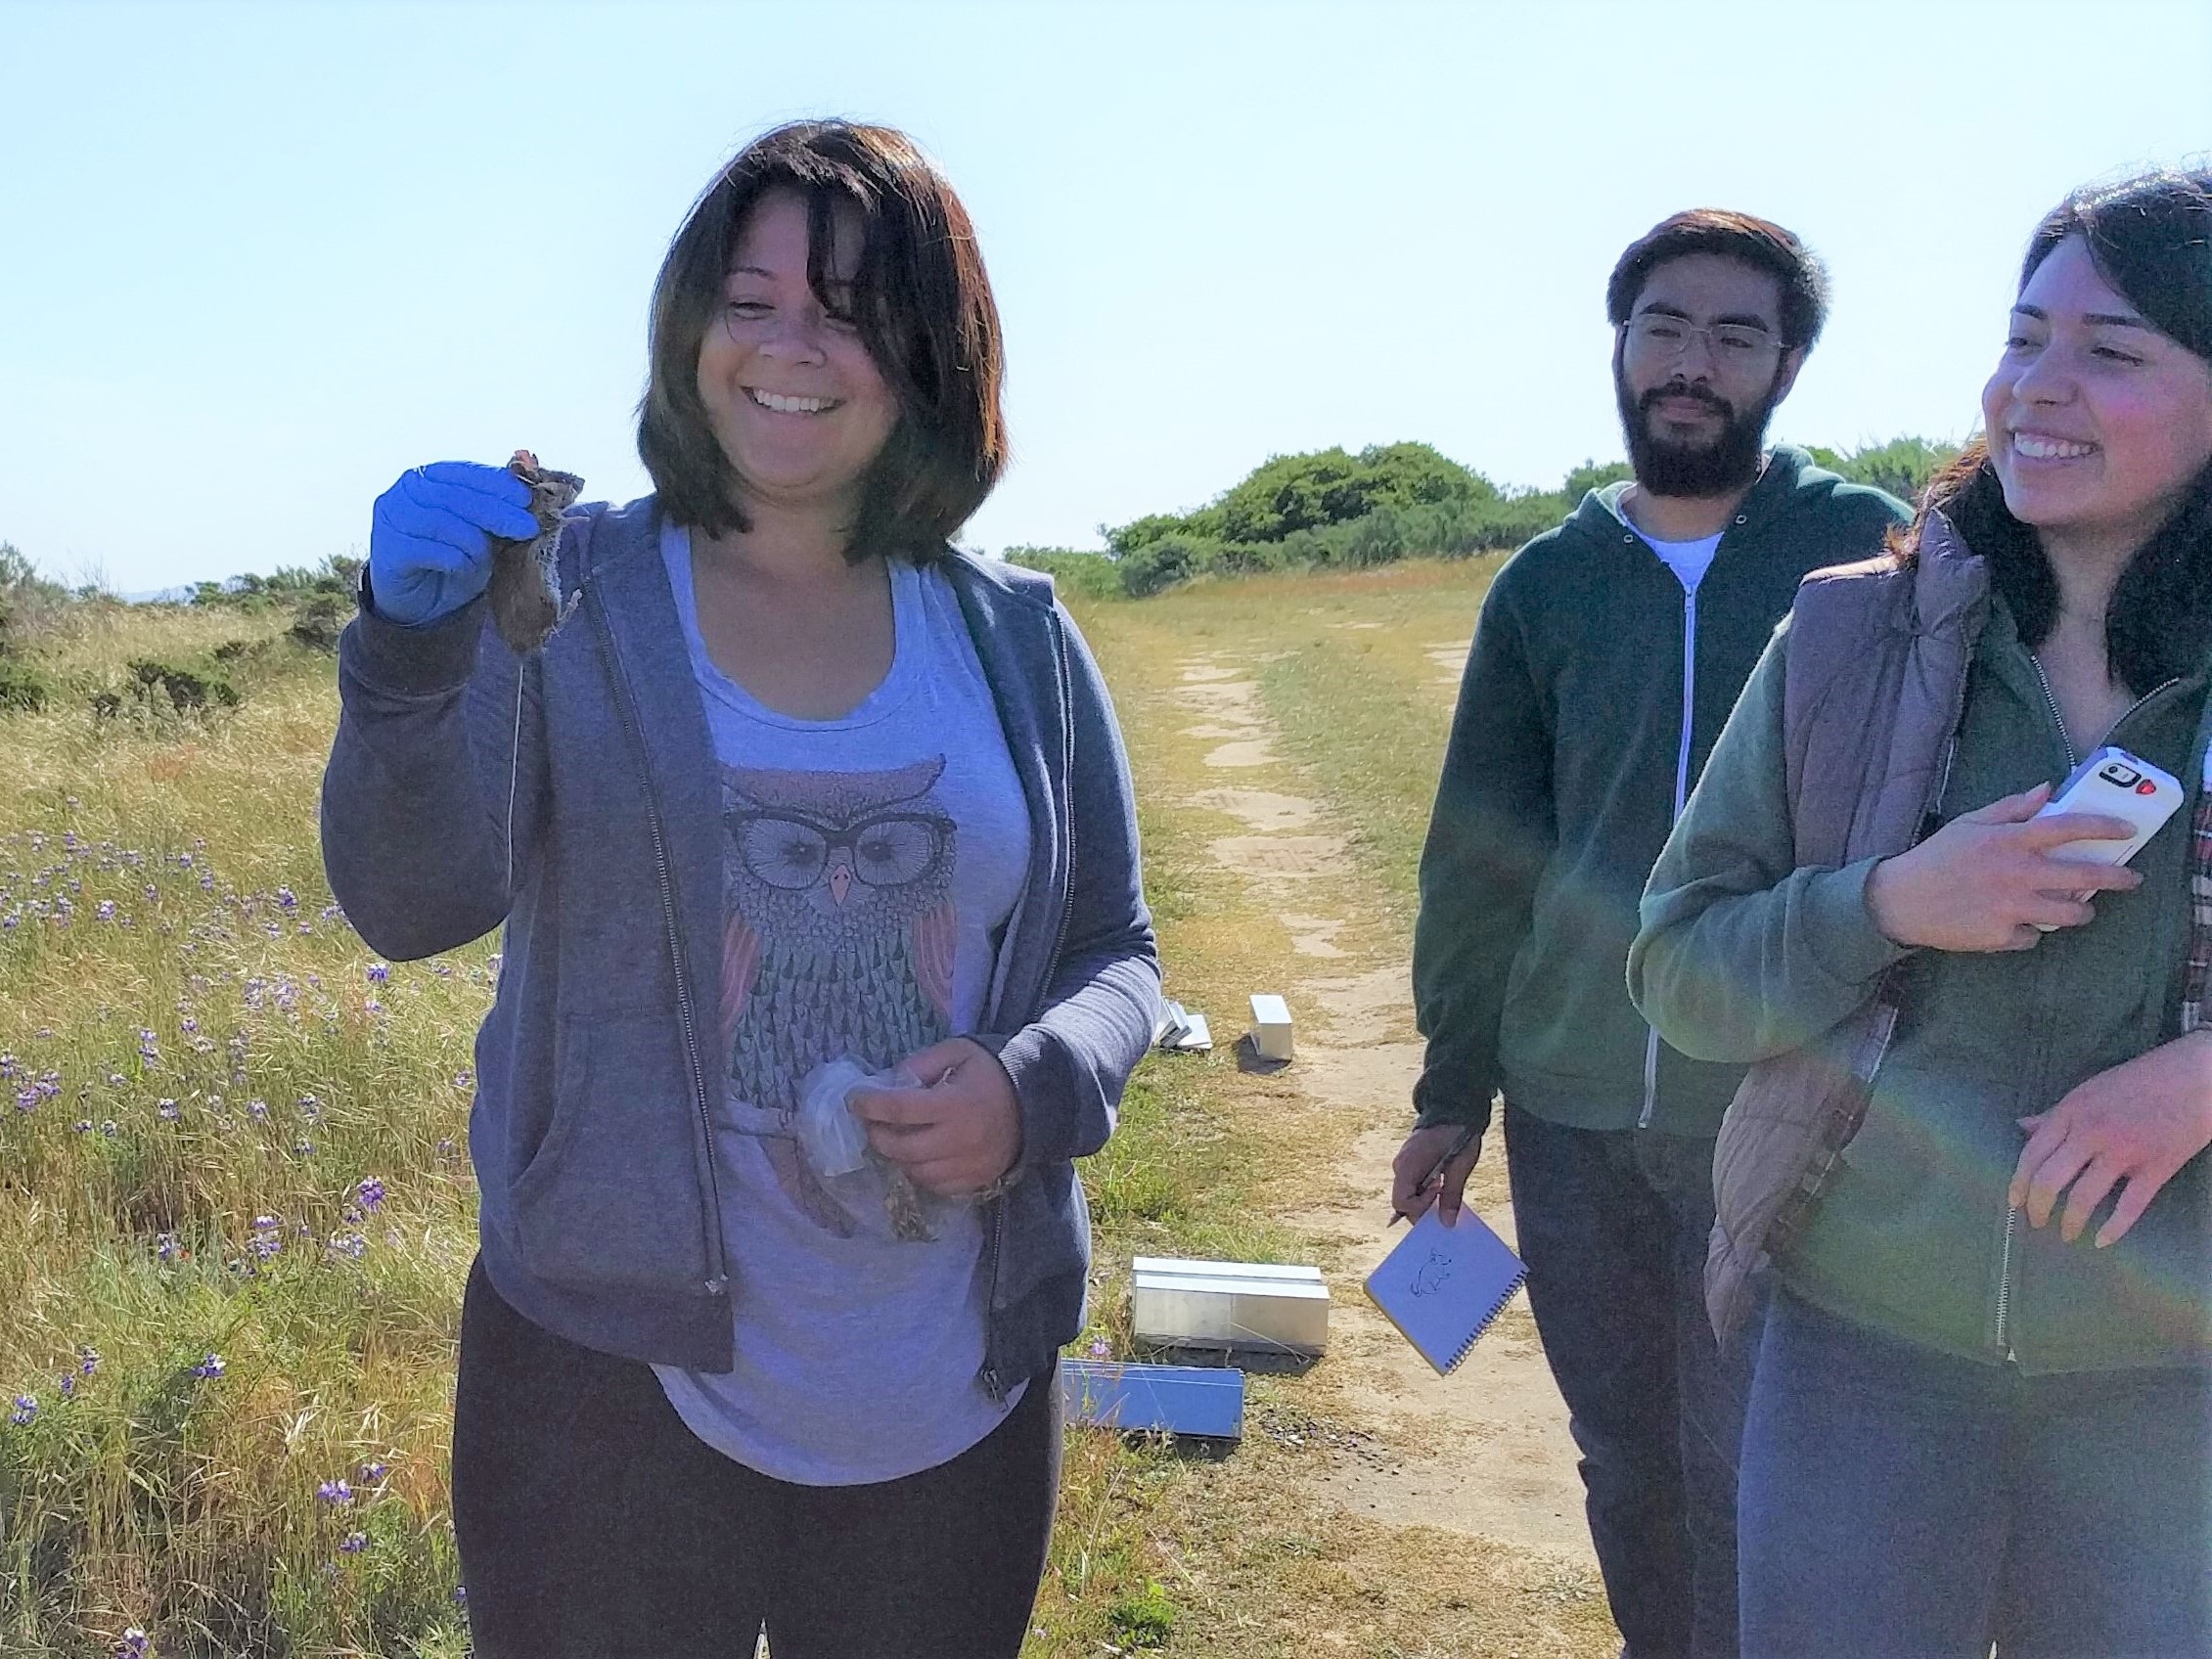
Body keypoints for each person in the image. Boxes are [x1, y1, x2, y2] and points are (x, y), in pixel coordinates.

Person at [320, 119, 1159, 1659]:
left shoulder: (1018, 637)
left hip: (950, 1371)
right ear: (688, 326)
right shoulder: (566, 598)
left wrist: (1029, 1087)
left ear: (931, 349)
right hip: (601, 1366)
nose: (790, 345)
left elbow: (1116, 951)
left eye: (846, 307)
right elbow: (410, 902)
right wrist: (407, 655)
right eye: (750, 296)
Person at [1630, 169, 2212, 1657]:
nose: (2038, 389)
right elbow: (1679, 970)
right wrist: (1889, 901)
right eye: (2023, 338)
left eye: (2113, 352)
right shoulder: (1847, 634)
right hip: (1863, 1353)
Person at [1396, 210, 1907, 1657]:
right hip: (1572, 1119)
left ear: (1786, 366)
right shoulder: (1544, 586)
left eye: (1734, 336)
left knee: (1752, 1469)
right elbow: (1477, 857)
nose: (1692, 364)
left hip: (1788, 1100)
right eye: (1664, 328)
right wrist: (1453, 1093)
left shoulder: (1866, 552)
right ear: (1619, 348)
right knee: (1624, 1460)